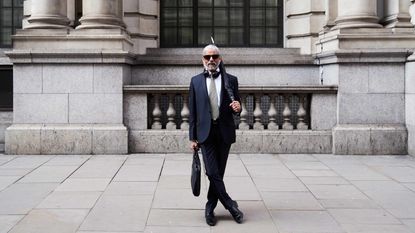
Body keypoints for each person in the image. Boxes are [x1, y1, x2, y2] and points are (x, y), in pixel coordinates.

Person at [188, 44, 244, 226]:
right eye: (207, 57)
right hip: (205, 134)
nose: (211, 59)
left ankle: (210, 208)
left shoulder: (231, 80)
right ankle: (230, 204)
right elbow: (193, 113)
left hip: (224, 132)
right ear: (202, 60)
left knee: (218, 173)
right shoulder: (195, 81)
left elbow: (237, 106)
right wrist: (192, 137)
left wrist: (239, 108)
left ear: (220, 59)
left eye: (214, 56)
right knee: (211, 171)